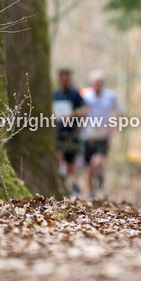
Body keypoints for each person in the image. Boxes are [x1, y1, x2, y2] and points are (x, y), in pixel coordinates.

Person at [81, 70, 123, 199]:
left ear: (103, 83)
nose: (97, 84)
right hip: (87, 133)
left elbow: (119, 112)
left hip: (103, 133)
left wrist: (114, 127)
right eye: (95, 82)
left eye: (99, 82)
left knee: (98, 160)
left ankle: (99, 174)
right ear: (91, 83)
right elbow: (79, 111)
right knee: (88, 165)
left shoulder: (110, 96)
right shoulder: (84, 95)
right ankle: (90, 191)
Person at [52, 68, 87, 196]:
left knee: (71, 163)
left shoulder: (75, 94)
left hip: (71, 132)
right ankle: (64, 185)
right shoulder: (55, 94)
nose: (65, 80)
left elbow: (85, 110)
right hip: (57, 131)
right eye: (63, 77)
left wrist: (72, 115)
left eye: (68, 78)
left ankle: (74, 188)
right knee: (59, 158)